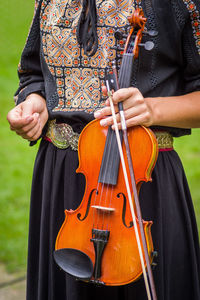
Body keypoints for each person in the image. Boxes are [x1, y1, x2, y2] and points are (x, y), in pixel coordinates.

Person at [7, 0, 200, 299]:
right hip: (62, 183)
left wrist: (151, 109)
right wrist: (34, 101)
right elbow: (32, 74)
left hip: (139, 183)